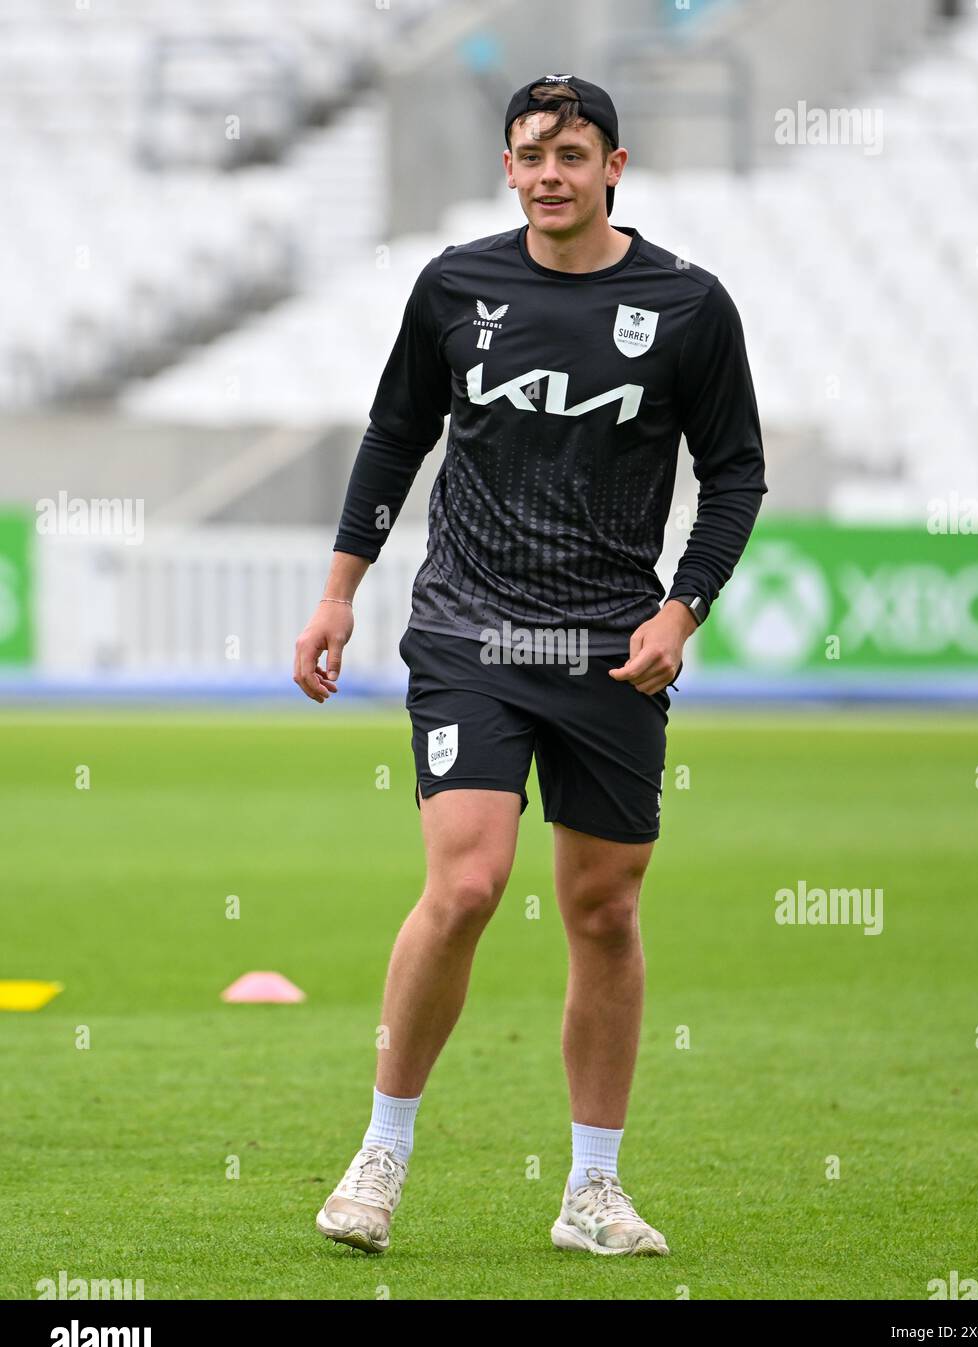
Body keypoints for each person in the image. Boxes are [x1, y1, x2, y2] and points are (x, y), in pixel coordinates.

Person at [293, 75, 767, 1257]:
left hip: (614, 653)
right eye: (529, 153)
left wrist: (682, 611)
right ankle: (382, 1153)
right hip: (472, 636)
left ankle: (591, 1191)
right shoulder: (456, 286)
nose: (550, 171)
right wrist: (339, 594)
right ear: (507, 168)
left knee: (603, 909)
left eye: (572, 152)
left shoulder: (689, 305)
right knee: (466, 884)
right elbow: (395, 436)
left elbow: (737, 472)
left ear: (616, 165)